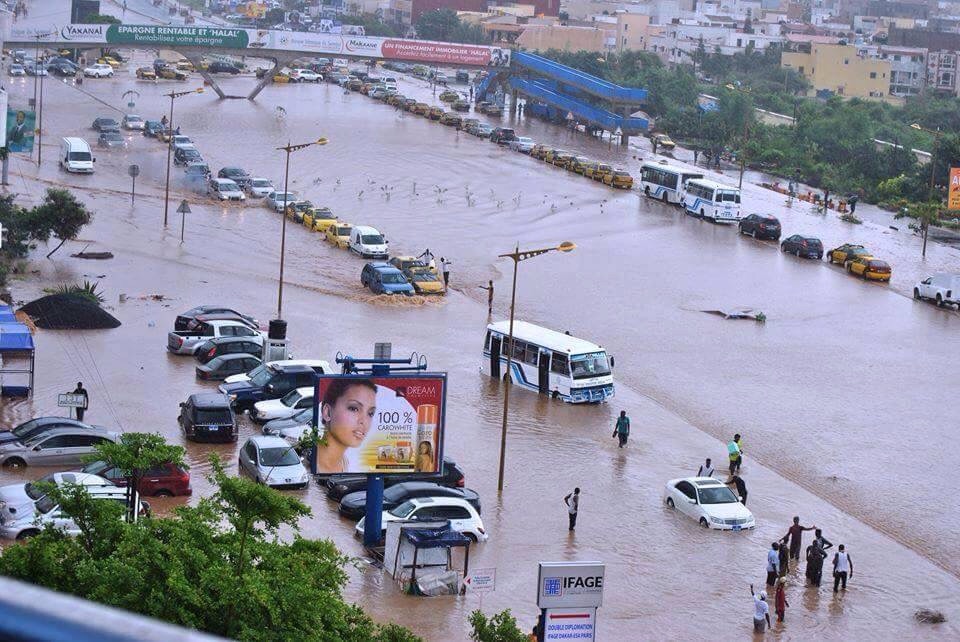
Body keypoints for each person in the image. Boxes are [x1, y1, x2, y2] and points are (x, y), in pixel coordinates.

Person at [314, 378, 377, 474]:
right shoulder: (306, 466)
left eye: (370, 413)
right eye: (354, 408)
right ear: (327, 412)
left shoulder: (344, 462)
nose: (364, 421)